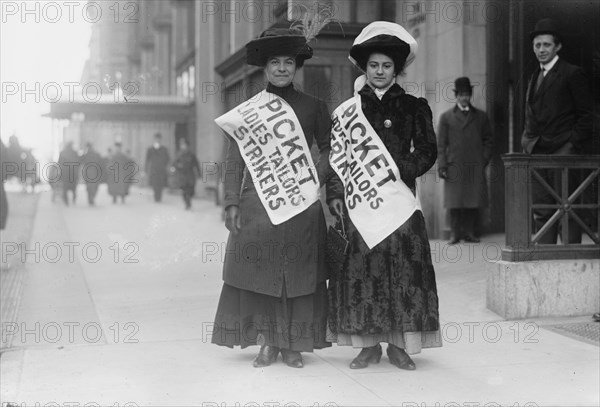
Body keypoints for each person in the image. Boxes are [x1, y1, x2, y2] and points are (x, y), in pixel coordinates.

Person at [211, 22, 333, 368]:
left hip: (301, 202)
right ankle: (268, 342)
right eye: (276, 62)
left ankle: (292, 344)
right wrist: (231, 201)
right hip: (258, 204)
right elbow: (233, 161)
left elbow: (330, 148)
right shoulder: (248, 110)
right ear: (265, 67)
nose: (282, 69)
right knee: (262, 272)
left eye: (289, 63)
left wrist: (316, 179)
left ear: (297, 68)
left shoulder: (313, 107)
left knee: (297, 274)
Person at [326, 21, 442, 371]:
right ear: (365, 67)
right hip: (360, 205)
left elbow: (428, 150)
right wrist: (334, 194)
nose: (379, 71)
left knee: (404, 272)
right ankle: (367, 345)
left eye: (386, 66)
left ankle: (400, 345)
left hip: (400, 205)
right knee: (363, 272)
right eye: (373, 65)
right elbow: (336, 159)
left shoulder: (412, 106)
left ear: (396, 69)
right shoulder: (347, 112)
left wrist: (400, 169)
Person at [521, 18, 593, 244]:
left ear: (557, 46)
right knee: (542, 209)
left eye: (546, 45)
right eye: (537, 45)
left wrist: (571, 146)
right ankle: (545, 258)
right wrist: (527, 142)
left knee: (567, 207)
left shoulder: (572, 73)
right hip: (538, 153)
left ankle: (570, 259)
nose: (541, 50)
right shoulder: (534, 77)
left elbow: (588, 116)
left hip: (564, 154)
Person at [437, 77, 494, 244]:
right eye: (461, 94)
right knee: (454, 202)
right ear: (456, 96)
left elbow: (489, 140)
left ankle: (469, 232)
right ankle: (455, 234)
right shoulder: (446, 117)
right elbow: (441, 144)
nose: (464, 98)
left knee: (472, 200)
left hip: (474, 164)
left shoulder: (481, 117)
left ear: (470, 95)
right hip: (454, 164)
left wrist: (483, 160)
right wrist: (442, 165)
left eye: (467, 94)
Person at [171, 138, 200, 210]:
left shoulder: (192, 155)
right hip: (182, 176)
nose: (184, 147)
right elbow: (174, 163)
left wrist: (199, 174)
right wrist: (178, 166)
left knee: (191, 191)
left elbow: (196, 164)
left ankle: (188, 202)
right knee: (184, 191)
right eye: (183, 145)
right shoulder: (179, 155)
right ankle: (187, 203)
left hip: (190, 175)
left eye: (186, 145)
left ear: (188, 146)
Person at [145, 133, 170, 202]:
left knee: (161, 184)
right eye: (156, 138)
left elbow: (168, 159)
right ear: (154, 139)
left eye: (159, 138)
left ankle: (159, 196)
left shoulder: (164, 149)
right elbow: (147, 160)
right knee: (155, 184)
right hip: (154, 169)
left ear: (161, 139)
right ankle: (156, 196)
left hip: (162, 169)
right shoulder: (150, 149)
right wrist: (146, 170)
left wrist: (164, 165)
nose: (157, 140)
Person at [57, 141, 80, 205]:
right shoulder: (75, 152)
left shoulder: (62, 153)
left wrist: (59, 173)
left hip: (65, 174)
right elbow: (78, 163)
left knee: (65, 188)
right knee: (74, 188)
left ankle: (66, 201)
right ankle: (74, 199)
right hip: (73, 173)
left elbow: (59, 163)